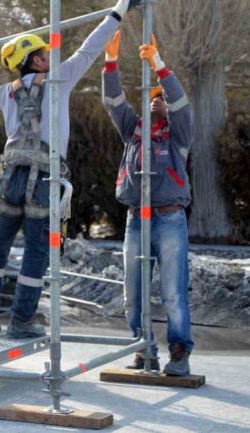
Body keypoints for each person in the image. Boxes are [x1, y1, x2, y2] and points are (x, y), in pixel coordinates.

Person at [0, 0, 142, 338]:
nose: (49, 57)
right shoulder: (59, 80)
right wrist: (119, 11)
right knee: (36, 252)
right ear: (36, 61)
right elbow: (91, 47)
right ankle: (22, 320)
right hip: (44, 179)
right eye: (44, 54)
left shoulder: (7, 92)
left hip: (10, 177)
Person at [101, 31, 194, 376]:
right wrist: (110, 63)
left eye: (161, 99)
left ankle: (179, 353)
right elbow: (113, 101)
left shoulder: (180, 132)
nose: (157, 101)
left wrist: (158, 66)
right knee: (133, 293)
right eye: (152, 98)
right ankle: (143, 349)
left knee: (172, 292)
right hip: (136, 219)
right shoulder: (133, 130)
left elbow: (180, 102)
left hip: (170, 219)